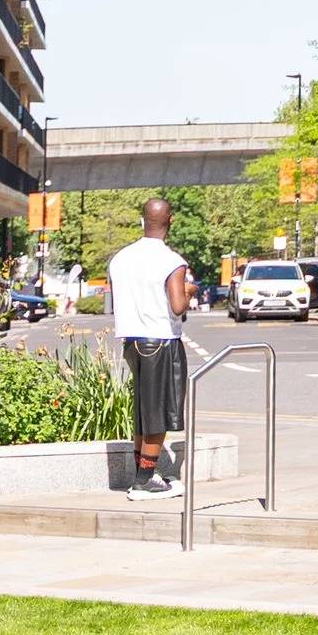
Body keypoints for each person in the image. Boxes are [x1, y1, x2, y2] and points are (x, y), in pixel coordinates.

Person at [107, 199, 195, 486]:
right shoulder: (172, 261)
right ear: (170, 221)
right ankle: (145, 480)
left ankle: (144, 471)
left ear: (143, 221)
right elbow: (178, 304)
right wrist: (190, 289)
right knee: (158, 411)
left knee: (143, 409)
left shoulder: (121, 257)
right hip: (161, 340)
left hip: (132, 341)